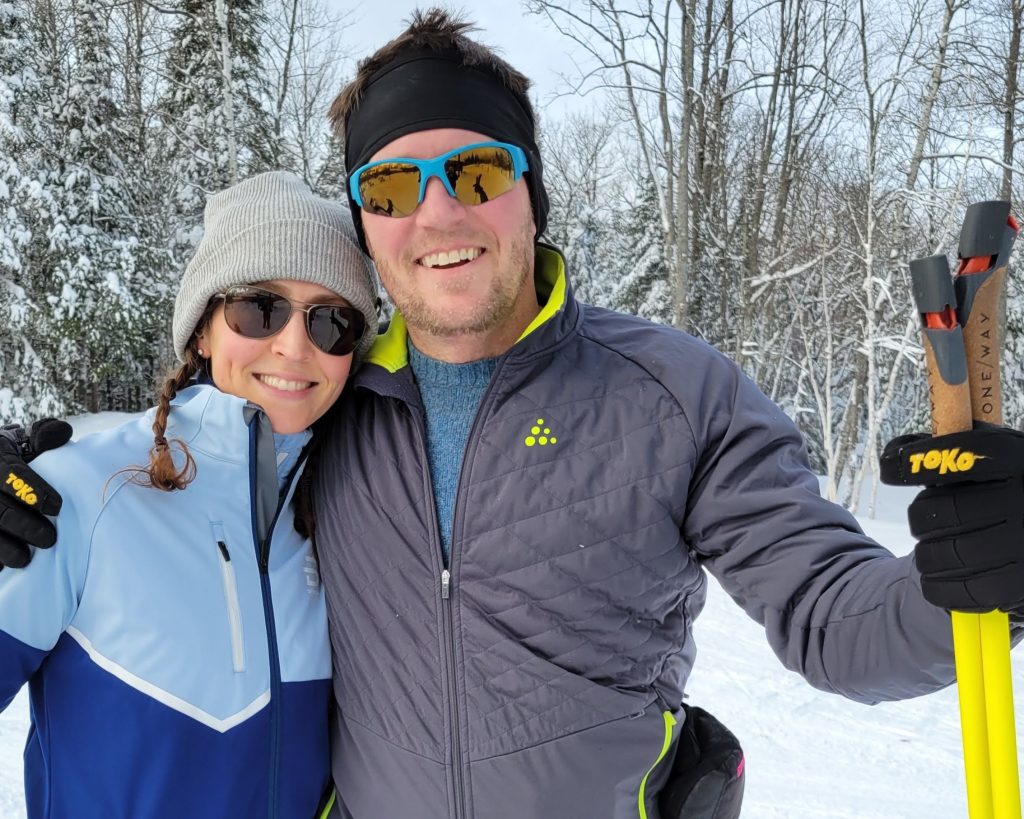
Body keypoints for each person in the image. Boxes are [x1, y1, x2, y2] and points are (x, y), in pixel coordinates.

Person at [2, 9, 1023, 819]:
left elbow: (833, 616)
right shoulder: (332, 412)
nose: (439, 212)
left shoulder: (674, 395)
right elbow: (193, 469)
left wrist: (968, 581)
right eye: (391, 186)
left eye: (479, 172)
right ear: (367, 225)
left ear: (531, 193)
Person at [0, 171, 379, 819]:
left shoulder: (349, 510)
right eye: (259, 308)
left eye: (332, 322)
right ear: (203, 329)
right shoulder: (84, 490)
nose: (294, 346)